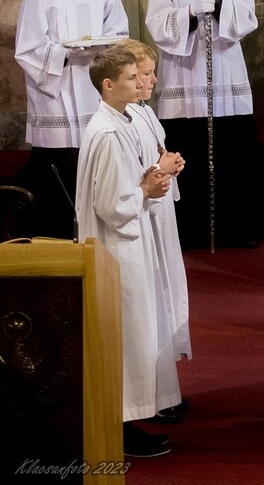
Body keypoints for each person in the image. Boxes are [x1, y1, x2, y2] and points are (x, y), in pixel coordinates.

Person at [146, 0, 264, 249]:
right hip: (183, 73)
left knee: (232, 152)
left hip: (225, 69)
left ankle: (238, 228)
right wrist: (189, 12)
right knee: (189, 152)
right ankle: (191, 232)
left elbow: (247, 17)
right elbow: (156, 22)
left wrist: (219, 3)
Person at [76, 46, 177, 457]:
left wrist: (151, 178)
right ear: (108, 84)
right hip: (116, 248)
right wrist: (146, 190)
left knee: (135, 332)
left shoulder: (121, 121)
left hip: (131, 239)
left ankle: (129, 420)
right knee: (125, 335)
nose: (141, 84)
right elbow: (110, 205)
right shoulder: (107, 133)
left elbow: (126, 183)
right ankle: (118, 427)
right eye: (132, 78)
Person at [15, 0, 128, 238]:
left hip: (93, 85)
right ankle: (58, 236)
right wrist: (65, 52)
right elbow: (28, 47)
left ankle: (97, 235)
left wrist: (99, 46)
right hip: (58, 90)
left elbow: (119, 29)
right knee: (62, 164)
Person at [120, 39, 192, 413]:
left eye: (151, 72)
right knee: (152, 303)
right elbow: (129, 171)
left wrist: (168, 164)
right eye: (145, 74)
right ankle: (153, 398)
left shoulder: (145, 111)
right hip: (141, 219)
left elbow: (154, 156)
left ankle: (165, 393)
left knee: (165, 297)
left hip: (160, 215)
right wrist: (158, 169)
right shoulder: (120, 121)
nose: (152, 80)